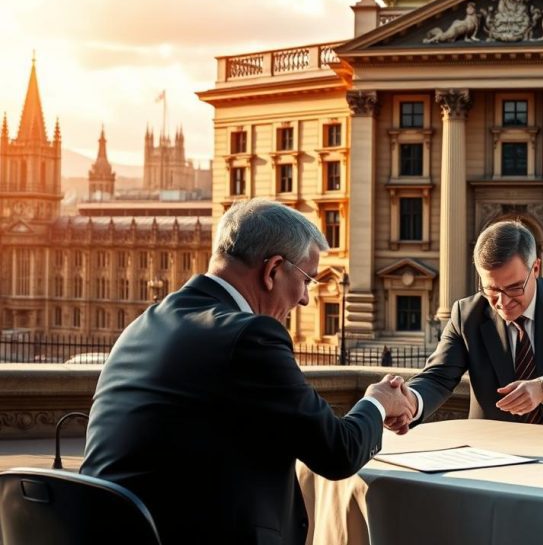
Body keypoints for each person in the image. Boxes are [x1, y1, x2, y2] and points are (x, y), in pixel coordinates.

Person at [81, 199, 414, 545]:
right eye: (307, 281)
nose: (305, 300)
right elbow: (337, 452)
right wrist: (378, 402)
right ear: (272, 271)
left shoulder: (144, 323)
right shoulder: (249, 337)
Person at [391, 220, 543, 431]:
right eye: (492, 290)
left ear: (536, 268)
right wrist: (410, 401)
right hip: (493, 447)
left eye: (515, 288)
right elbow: (437, 377)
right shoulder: (466, 315)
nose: (503, 302)